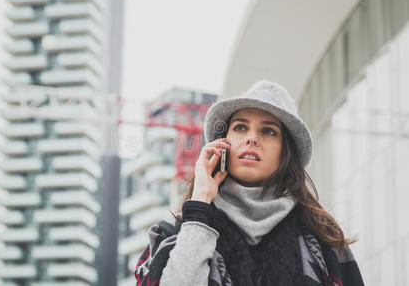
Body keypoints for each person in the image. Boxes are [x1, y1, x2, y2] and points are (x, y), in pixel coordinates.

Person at [133, 81, 364, 286]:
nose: (252, 138)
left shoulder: (325, 243)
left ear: (286, 152)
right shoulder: (173, 234)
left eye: (268, 131)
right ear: (222, 144)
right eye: (240, 127)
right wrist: (200, 203)